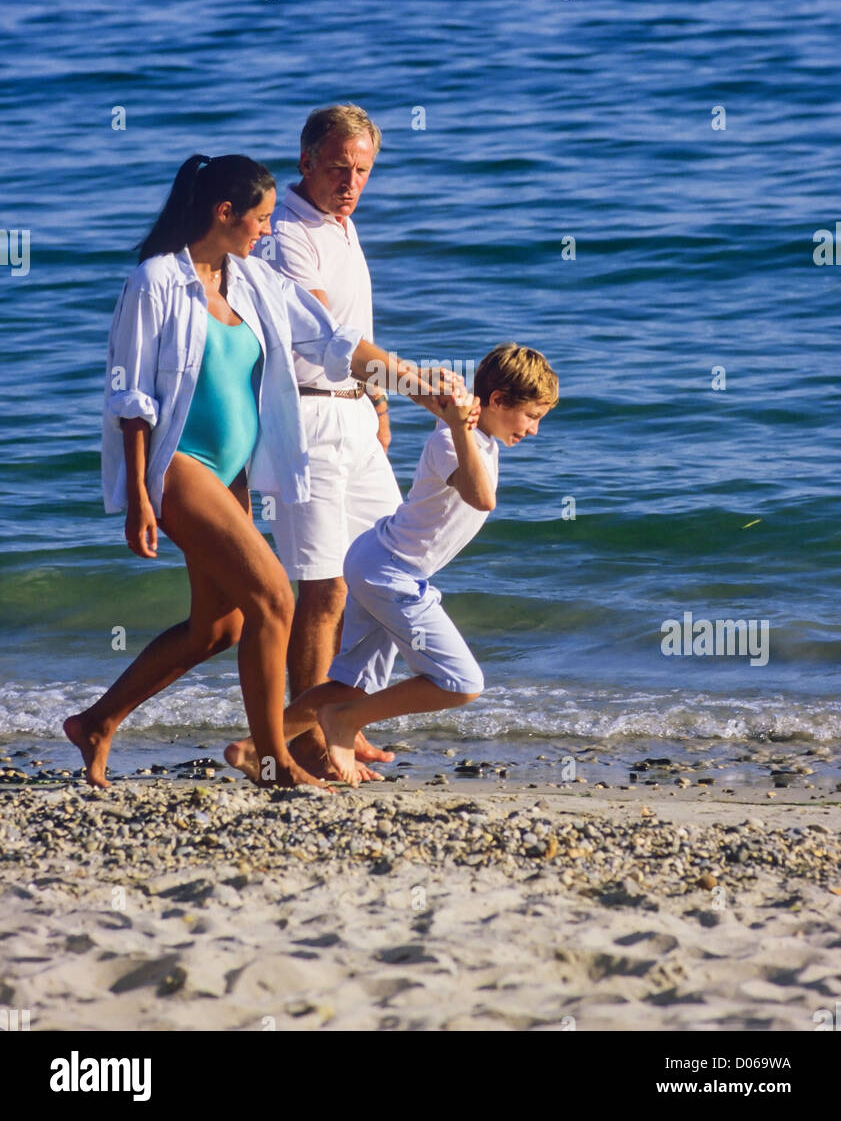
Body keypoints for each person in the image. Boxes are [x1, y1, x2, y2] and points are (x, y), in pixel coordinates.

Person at [63, 154, 462, 790]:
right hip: (179, 465)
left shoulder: (251, 280)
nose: (268, 232)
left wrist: (416, 387)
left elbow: (335, 343)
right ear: (224, 212)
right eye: (261, 218)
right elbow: (131, 399)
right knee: (277, 596)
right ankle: (276, 760)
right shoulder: (156, 281)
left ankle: (97, 721)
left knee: (219, 626)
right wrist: (140, 493)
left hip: (232, 472)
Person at [240, 344, 559, 787]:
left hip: (380, 562)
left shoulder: (473, 433)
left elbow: (459, 416)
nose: (535, 430)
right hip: (389, 573)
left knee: (351, 681)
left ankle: (254, 747)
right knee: (461, 681)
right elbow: (482, 496)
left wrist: (452, 398)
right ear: (501, 400)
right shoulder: (453, 440)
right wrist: (457, 422)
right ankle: (344, 722)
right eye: (532, 416)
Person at [244, 105, 403, 779]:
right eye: (338, 168)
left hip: (353, 416)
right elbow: (320, 334)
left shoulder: (342, 223)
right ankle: (306, 740)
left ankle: (343, 714)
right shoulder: (287, 233)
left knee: (389, 573)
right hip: (306, 421)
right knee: (324, 588)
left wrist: (377, 399)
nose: (350, 182)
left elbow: (350, 325)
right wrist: (401, 378)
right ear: (305, 161)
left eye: (361, 170)